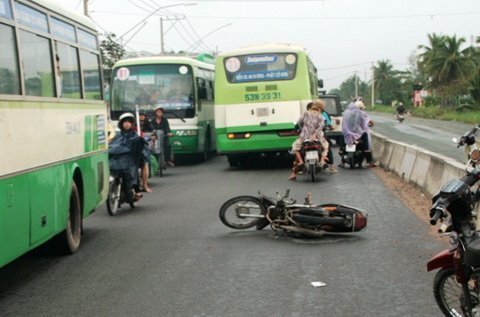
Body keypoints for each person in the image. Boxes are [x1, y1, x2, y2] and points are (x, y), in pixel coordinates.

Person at [108, 112, 145, 202]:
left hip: (130, 160)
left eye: (128, 122)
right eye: (125, 122)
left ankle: (136, 191)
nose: (127, 124)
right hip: (118, 160)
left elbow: (140, 147)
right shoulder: (118, 136)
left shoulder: (135, 136)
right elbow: (112, 145)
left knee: (133, 171)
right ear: (121, 124)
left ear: (132, 124)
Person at [289, 100, 329, 180]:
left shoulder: (305, 113)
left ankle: (300, 162)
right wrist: (315, 135)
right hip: (317, 137)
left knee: (296, 148)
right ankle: (322, 161)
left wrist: (303, 129)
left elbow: (299, 123)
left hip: (304, 137)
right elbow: (321, 126)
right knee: (326, 146)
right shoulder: (320, 115)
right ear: (320, 107)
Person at [340, 98, 376, 168]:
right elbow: (364, 124)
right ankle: (369, 161)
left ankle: (342, 161)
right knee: (366, 142)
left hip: (347, 134)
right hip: (358, 135)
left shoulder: (346, 112)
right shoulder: (361, 113)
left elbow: (344, 124)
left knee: (343, 142)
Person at [320, 105, 338, 174]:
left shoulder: (307, 114)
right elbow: (328, 124)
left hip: (308, 137)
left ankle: (300, 167)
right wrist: (332, 127)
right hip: (321, 135)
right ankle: (331, 167)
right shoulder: (323, 114)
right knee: (328, 146)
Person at [139, 111, 153, 193]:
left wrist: (151, 135)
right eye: (140, 115)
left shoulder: (148, 123)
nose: (141, 117)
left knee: (144, 162)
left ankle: (144, 184)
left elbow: (152, 132)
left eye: (142, 115)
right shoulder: (133, 126)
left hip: (143, 144)